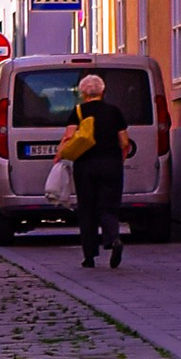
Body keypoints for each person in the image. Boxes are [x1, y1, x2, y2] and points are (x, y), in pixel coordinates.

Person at [61, 69, 134, 269]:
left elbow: (69, 137)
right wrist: (120, 158)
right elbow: (124, 141)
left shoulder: (78, 112)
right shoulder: (114, 111)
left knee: (87, 209)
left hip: (85, 166)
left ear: (84, 93)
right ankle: (113, 239)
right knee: (109, 206)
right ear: (103, 91)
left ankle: (89, 256)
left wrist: (60, 154)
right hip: (111, 164)